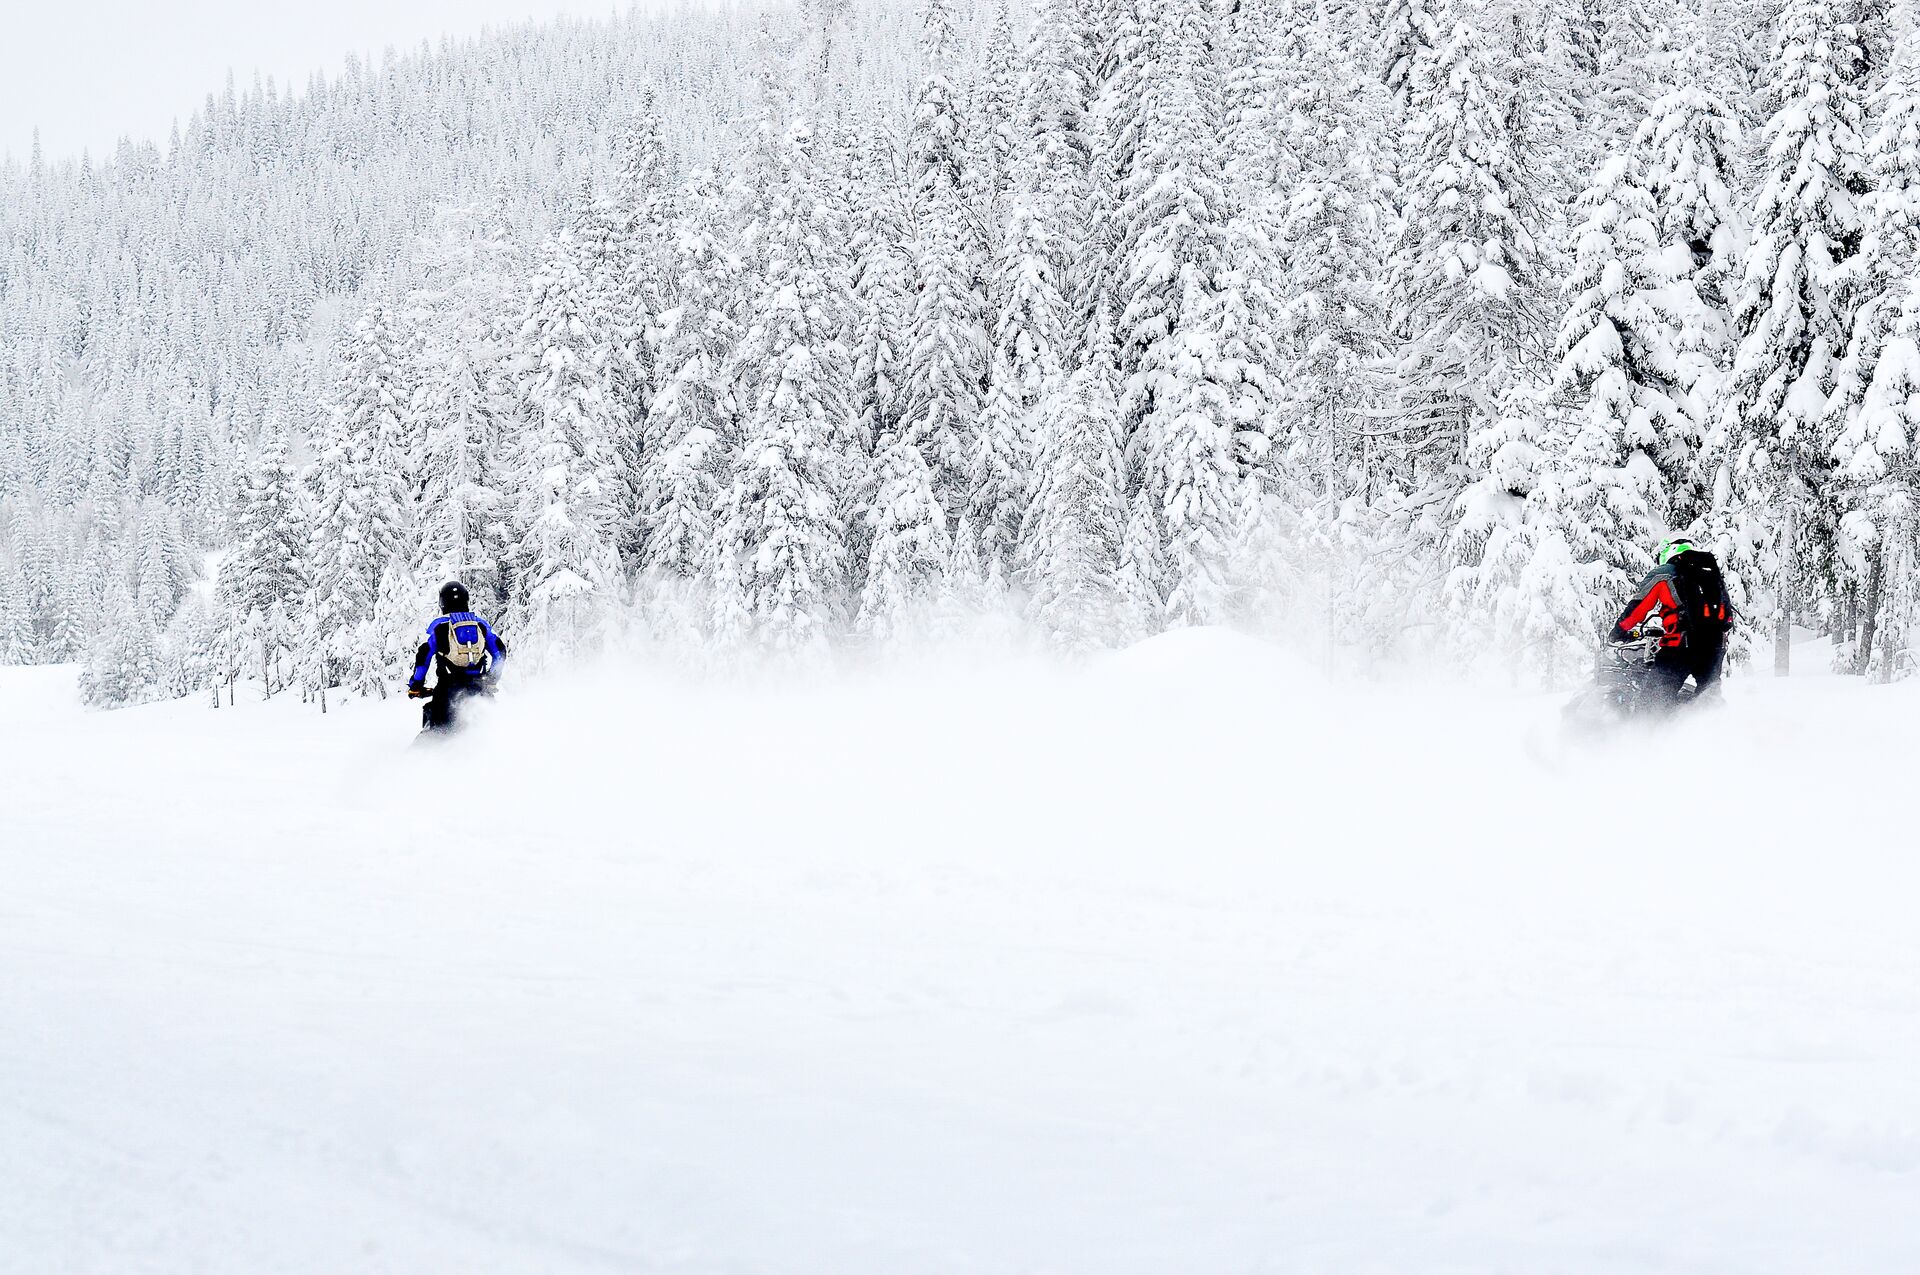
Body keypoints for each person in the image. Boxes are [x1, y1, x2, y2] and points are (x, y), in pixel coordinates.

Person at [1609, 535, 1733, 704]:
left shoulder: (1663, 573)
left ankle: (1649, 730)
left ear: (1668, 550)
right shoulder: (1710, 573)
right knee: (1708, 698)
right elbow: (1726, 619)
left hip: (1679, 648)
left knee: (1652, 702)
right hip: (1714, 648)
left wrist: (1618, 631)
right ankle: (1712, 727)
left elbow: (1638, 608)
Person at [407, 581, 507, 730]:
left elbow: (424, 657)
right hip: (479, 688)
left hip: (448, 690)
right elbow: (500, 652)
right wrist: (491, 681)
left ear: (442, 602)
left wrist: (416, 685)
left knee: (435, 736)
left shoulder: (439, 627)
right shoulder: (480, 625)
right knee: (491, 731)